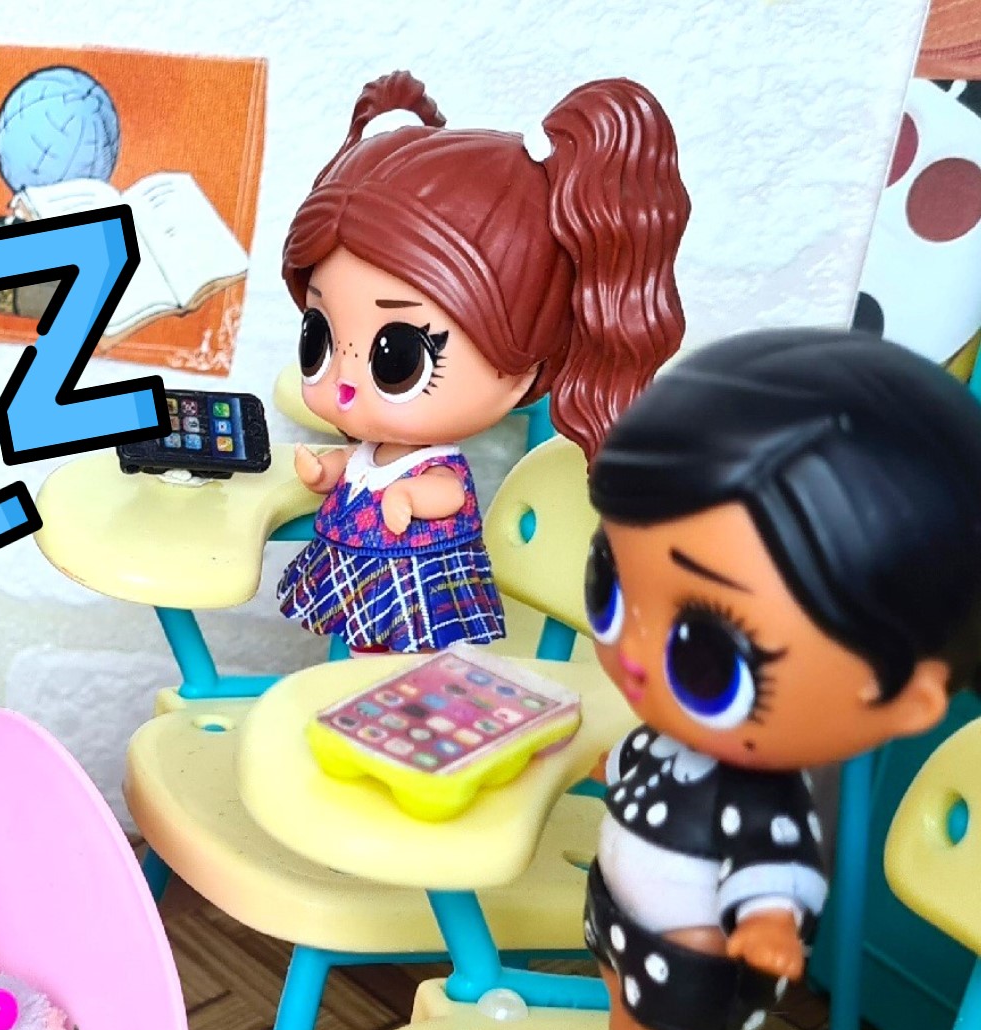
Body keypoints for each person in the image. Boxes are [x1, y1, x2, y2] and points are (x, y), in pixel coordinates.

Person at [572, 328, 981, 1030]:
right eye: (611, 583)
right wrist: (622, 766)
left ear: (906, 698)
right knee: (624, 1014)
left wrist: (764, 922)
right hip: (625, 919)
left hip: (694, 951)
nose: (633, 654)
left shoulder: (761, 796)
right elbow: (651, 764)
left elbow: (772, 861)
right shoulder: (673, 735)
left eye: (706, 653)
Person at [277, 70, 690, 654]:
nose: (344, 382)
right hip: (360, 573)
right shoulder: (375, 447)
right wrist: (327, 472)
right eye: (318, 337)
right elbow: (360, 464)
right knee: (360, 657)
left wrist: (410, 499)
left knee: (408, 660)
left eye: (397, 358)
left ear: (522, 369)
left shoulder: (436, 466)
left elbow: (446, 492)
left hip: (415, 589)